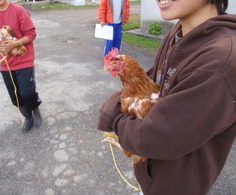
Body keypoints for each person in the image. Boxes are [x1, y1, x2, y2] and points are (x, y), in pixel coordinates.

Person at [97, 0, 236, 194]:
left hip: (177, 185)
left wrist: (115, 117)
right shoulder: (178, 33)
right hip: (153, 175)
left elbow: (155, 137)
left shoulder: (221, 59)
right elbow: (151, 83)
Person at [0, 0, 42, 133]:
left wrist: (15, 43)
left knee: (27, 92)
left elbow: (31, 34)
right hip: (5, 64)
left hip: (24, 60)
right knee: (15, 96)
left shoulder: (18, 10)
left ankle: (35, 108)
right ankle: (27, 117)